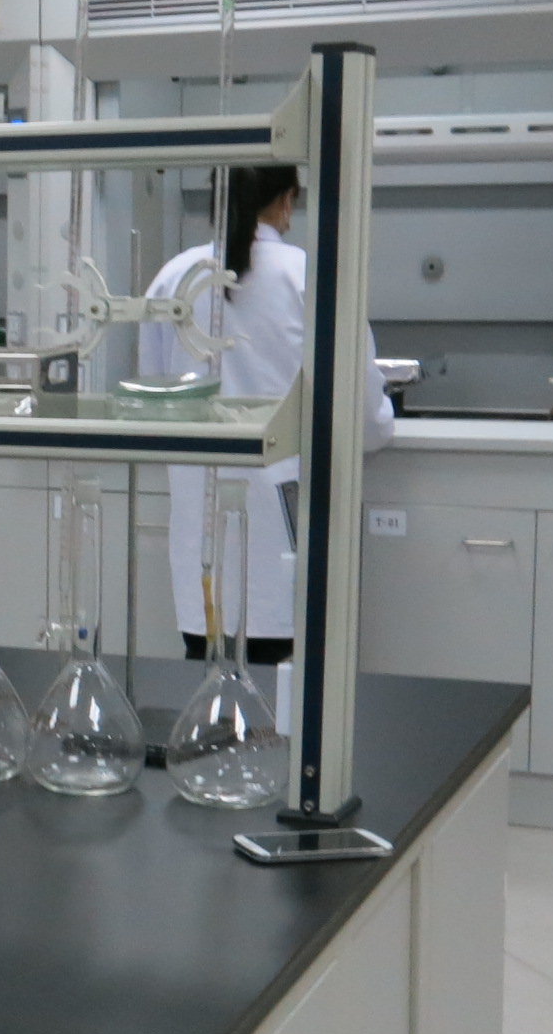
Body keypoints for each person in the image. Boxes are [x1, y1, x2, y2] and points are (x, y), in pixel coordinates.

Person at [139, 164, 394, 663]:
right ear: (285, 199)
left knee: (210, 693)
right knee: (289, 698)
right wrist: (381, 421)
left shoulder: (174, 277)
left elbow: (158, 401)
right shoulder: (309, 275)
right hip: (287, 548)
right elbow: (365, 418)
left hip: (201, 555)